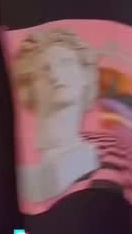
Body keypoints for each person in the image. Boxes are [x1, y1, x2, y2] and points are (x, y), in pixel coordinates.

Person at [12, 27, 100, 205]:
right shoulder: (26, 174)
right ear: (30, 87)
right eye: (45, 69)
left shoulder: (87, 158)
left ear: (85, 75)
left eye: (66, 63)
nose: (55, 74)